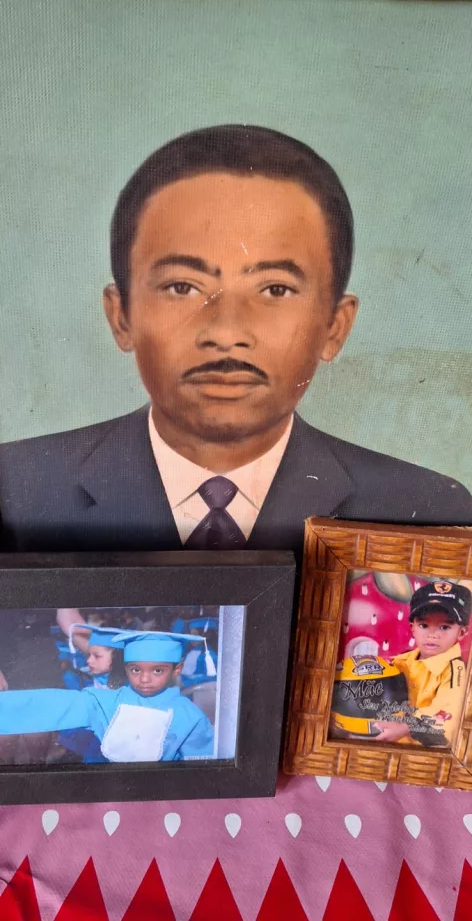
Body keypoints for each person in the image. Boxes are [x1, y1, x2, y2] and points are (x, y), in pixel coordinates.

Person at [0, 124, 471, 557]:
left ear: (335, 326)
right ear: (121, 315)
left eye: (275, 290)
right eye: (182, 287)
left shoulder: (425, 513)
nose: (226, 333)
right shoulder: (15, 494)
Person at [0, 630, 215, 762]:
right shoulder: (109, 702)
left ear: (177, 669)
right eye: (135, 670)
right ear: (125, 667)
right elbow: (58, 703)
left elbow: (199, 768)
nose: (144, 679)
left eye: (158, 670)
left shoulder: (191, 717)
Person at [373, 581, 471, 747]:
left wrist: (406, 728)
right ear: (413, 628)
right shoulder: (400, 662)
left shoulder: (457, 672)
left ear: (461, 632)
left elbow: (449, 716)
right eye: (424, 625)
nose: (432, 635)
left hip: (428, 753)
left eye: (444, 627)